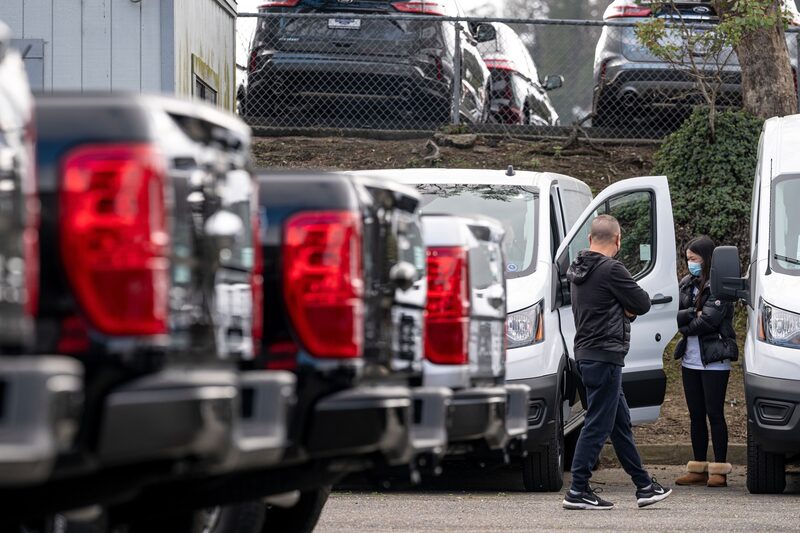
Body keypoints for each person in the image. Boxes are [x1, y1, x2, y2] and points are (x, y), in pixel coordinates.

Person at [562, 215, 672, 510]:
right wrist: (628, 309)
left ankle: (644, 486)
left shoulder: (578, 269)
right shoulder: (612, 270)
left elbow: (614, 306)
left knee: (620, 424)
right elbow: (642, 303)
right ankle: (577, 490)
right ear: (618, 240)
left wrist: (626, 308)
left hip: (586, 354)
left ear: (589, 239)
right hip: (606, 355)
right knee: (598, 423)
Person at [673, 236, 737, 488]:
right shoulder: (686, 284)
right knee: (695, 415)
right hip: (690, 361)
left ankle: (719, 469)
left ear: (707, 259)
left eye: (694, 259)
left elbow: (707, 322)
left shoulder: (720, 287)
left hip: (714, 361)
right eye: (688, 259)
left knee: (715, 413)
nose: (690, 264)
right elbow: (678, 315)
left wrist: (689, 321)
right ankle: (698, 467)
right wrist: (691, 316)